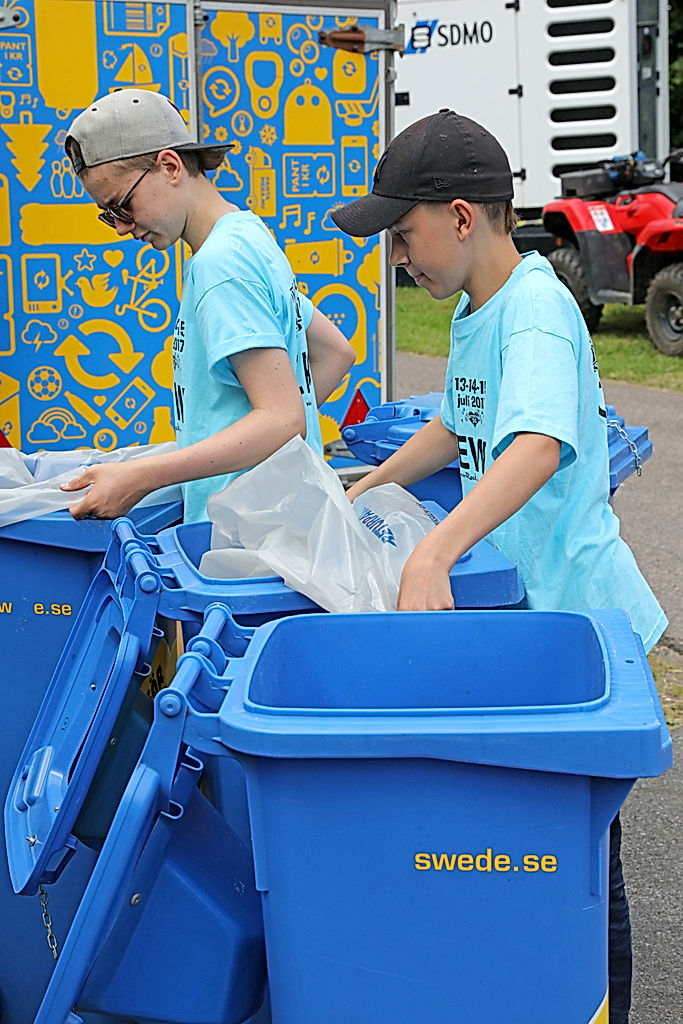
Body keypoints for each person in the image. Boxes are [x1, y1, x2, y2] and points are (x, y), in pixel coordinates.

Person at [331, 108, 667, 1024]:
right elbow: (457, 424)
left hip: (580, 623)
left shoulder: (536, 311)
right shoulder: (479, 311)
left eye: (403, 235)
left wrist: (435, 547)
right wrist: (361, 488)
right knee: (542, 845)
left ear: (459, 217)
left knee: (580, 858)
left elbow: (534, 446)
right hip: (530, 622)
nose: (398, 257)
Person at [60, 89, 354, 522]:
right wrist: (249, 453)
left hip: (250, 533)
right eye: (109, 215)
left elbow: (283, 419)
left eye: (122, 206)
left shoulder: (222, 265)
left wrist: (142, 476)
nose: (121, 228)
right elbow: (335, 352)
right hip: (270, 520)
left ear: (170, 166)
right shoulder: (246, 236)